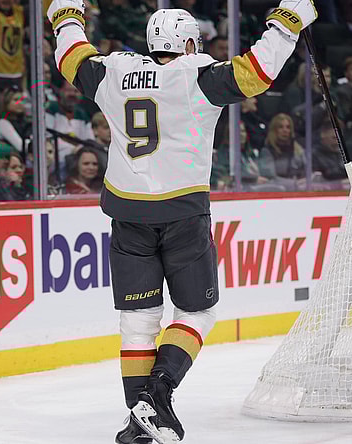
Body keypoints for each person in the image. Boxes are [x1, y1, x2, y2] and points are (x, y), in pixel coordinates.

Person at [44, 1, 317, 443]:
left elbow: (71, 56)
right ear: (188, 43)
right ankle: (158, 393)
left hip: (129, 214)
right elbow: (255, 73)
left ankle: (139, 421)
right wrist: (287, 22)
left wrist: (65, 13)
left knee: (138, 318)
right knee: (197, 310)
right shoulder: (197, 76)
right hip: (182, 215)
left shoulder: (114, 72)